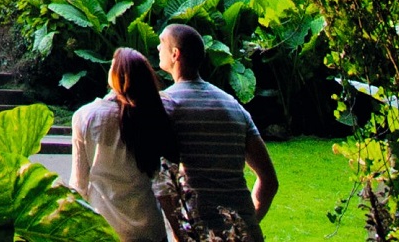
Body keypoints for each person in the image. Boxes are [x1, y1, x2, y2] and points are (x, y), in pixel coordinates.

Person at [156, 24, 278, 241]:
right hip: (244, 231)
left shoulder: (167, 104)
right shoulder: (233, 106)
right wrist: (247, 223)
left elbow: (162, 180)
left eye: (161, 43)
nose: (157, 47)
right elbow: (269, 181)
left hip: (199, 231)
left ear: (175, 54)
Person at [73, 47, 176, 242]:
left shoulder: (85, 116)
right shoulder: (156, 116)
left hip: (105, 229)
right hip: (150, 230)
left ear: (115, 76)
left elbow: (79, 184)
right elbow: (164, 183)